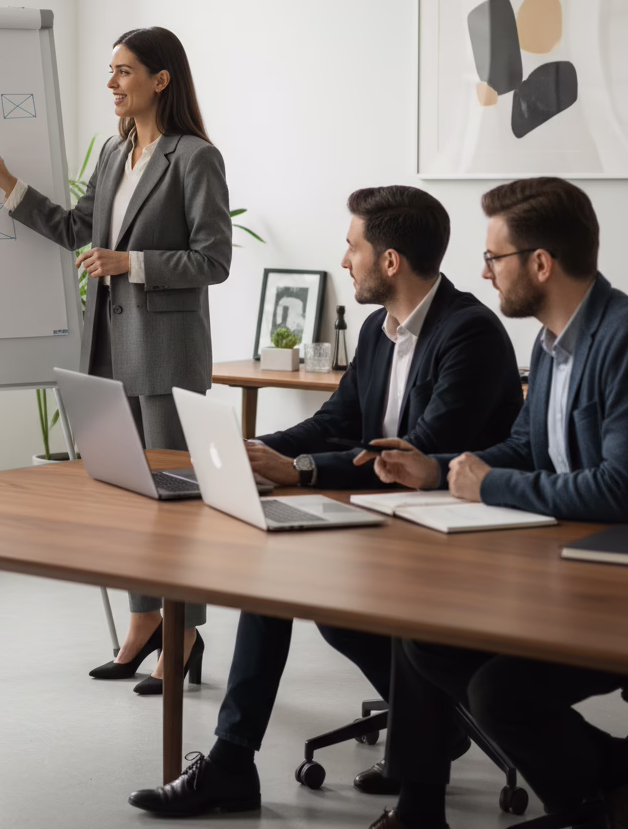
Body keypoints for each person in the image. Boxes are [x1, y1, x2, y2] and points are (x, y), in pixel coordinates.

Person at [128, 185, 525, 815]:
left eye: (353, 247)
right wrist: (253, 445)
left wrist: (301, 470)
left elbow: (415, 453)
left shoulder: (469, 334)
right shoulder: (377, 329)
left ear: (390, 261)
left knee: (310, 588)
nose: (345, 261)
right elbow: (335, 420)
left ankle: (429, 721)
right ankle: (236, 760)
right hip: (383, 520)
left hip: (450, 530)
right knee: (275, 572)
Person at [352, 178, 628, 829]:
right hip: (564, 563)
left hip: (611, 581)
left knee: (498, 692)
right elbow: (527, 447)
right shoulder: (551, 342)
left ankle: (590, 799)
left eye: (494, 258)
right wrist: (438, 470)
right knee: (426, 632)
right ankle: (424, 808)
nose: (484, 273)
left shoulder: (619, 341)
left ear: (540, 263)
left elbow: (619, 487)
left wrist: (489, 485)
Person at [0, 27, 232, 694]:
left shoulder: (194, 158)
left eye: (124, 71)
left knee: (173, 503)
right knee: (126, 500)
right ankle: (143, 622)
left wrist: (131, 264)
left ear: (161, 78)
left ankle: (186, 633)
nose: (112, 83)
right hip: (109, 351)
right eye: (110, 72)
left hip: (168, 356)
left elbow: (213, 260)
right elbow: (79, 231)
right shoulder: (117, 156)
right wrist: (8, 184)